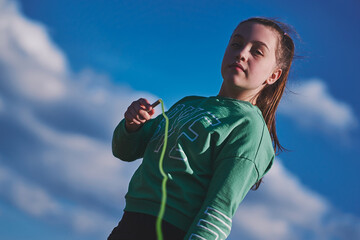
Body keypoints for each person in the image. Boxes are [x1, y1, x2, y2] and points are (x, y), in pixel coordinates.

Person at [108, 17, 296, 240]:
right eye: (236, 43)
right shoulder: (188, 103)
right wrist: (132, 125)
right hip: (127, 225)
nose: (242, 53)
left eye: (257, 52)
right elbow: (124, 150)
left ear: (274, 75)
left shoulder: (249, 128)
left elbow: (219, 210)